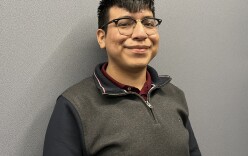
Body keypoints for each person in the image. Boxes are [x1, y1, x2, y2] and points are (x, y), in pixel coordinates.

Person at [43, 0, 201, 155]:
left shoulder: (174, 95)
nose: (140, 33)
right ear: (102, 37)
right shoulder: (74, 105)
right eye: (125, 23)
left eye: (148, 23)